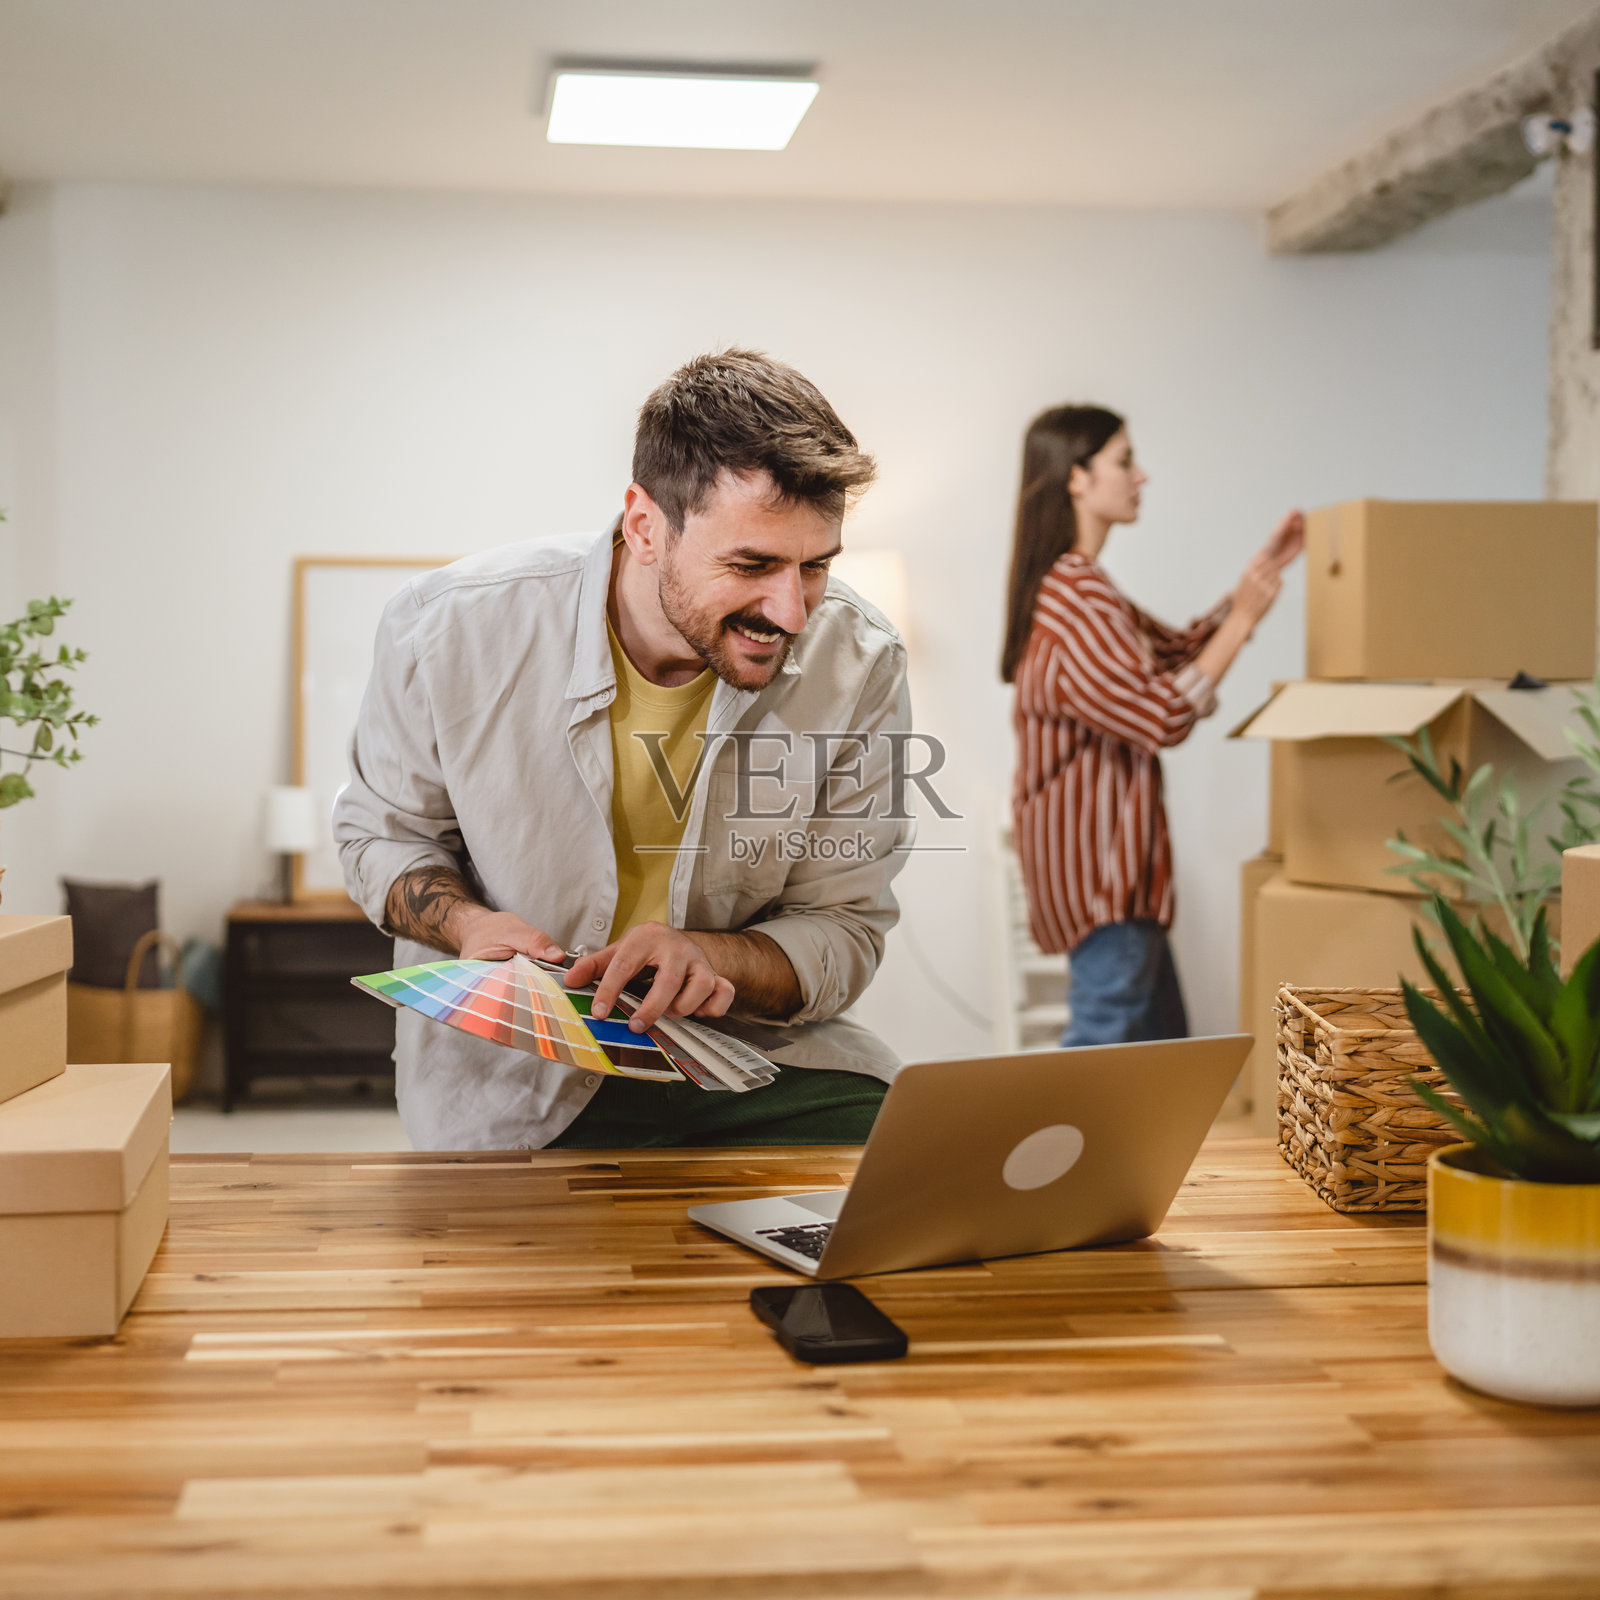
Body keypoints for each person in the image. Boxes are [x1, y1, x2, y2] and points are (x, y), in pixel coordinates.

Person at [335, 349, 912, 1150]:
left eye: (815, 567)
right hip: (509, 1082)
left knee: (911, 1172)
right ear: (645, 526)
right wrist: (468, 926)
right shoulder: (447, 626)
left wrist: (713, 957)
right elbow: (380, 836)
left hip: (749, 1059)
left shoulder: (863, 660)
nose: (791, 611)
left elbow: (843, 927)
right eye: (752, 564)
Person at [1000, 405, 1301, 1047]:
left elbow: (1175, 653)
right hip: (1106, 874)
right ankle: (1049, 1149)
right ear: (1076, 478)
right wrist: (1244, 619)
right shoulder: (1077, 592)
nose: (1141, 477)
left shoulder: (1081, 588)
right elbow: (1160, 713)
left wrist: (1251, 588)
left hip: (1119, 871)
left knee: (1161, 1052)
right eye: (1125, 460)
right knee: (1105, 1051)